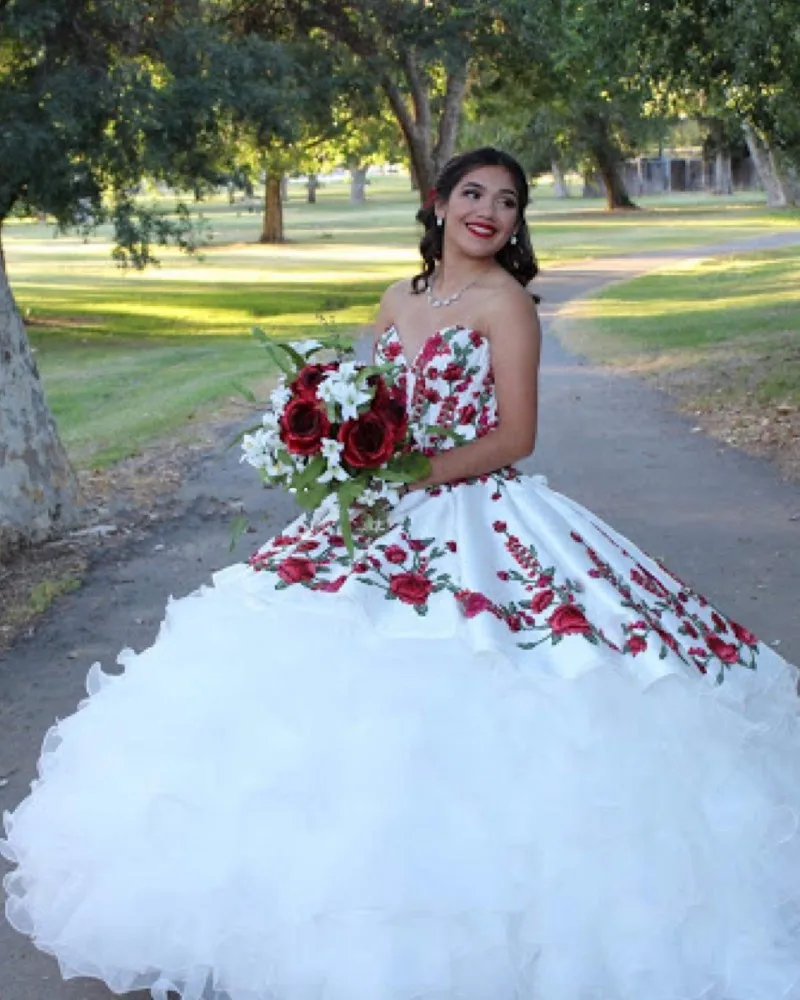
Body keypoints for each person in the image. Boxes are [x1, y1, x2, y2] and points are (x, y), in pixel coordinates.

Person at [3, 146, 800, 1000]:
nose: (489, 210)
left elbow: (517, 436)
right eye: (473, 193)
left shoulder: (508, 305)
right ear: (438, 202)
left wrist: (416, 475)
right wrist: (336, 446)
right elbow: (367, 396)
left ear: (517, 222)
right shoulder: (397, 297)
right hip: (380, 509)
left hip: (476, 507)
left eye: (507, 201)